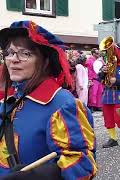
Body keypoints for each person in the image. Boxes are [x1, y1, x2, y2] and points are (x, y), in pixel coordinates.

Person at [0, 21, 96, 179]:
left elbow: (83, 164)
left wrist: (39, 176)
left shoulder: (62, 104)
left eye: (25, 53)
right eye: (9, 52)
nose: (13, 59)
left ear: (45, 62)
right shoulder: (10, 99)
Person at [98, 36, 120, 148]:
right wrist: (103, 72)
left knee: (119, 118)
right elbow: (99, 78)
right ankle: (113, 138)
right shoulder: (106, 65)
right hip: (107, 94)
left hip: (119, 94)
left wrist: (116, 81)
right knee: (108, 117)